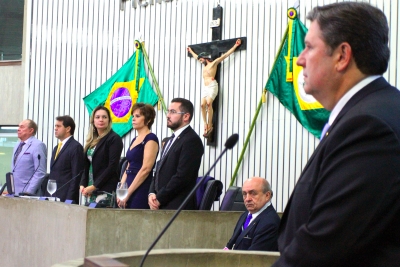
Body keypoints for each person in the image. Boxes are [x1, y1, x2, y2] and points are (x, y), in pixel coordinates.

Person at [274, 3, 400, 266]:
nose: (299, 59)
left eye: (309, 46)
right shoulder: (366, 113)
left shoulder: (369, 126)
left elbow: (323, 246)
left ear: (342, 55)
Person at [148, 98, 204, 210]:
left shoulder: (191, 140)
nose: (168, 115)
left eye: (173, 112)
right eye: (168, 111)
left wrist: (160, 198)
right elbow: (159, 169)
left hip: (178, 207)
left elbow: (182, 177)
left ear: (186, 116)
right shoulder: (170, 140)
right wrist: (152, 193)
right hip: (162, 204)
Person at [187, 39, 241, 138]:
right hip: (205, 87)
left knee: (208, 104)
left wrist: (235, 46)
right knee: (202, 105)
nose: (200, 60)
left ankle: (210, 124)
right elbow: (196, 57)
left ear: (205, 57)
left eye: (201, 59)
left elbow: (225, 55)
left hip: (212, 85)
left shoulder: (214, 63)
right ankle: (205, 123)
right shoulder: (204, 66)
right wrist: (191, 51)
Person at [117, 103, 159, 209]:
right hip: (129, 182)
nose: (133, 119)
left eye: (138, 116)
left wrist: (128, 193)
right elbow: (129, 165)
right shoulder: (134, 139)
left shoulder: (151, 139)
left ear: (148, 120)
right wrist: (122, 189)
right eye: (133, 116)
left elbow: (145, 169)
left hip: (140, 185)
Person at [80, 106, 123, 204]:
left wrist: (95, 186)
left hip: (104, 189)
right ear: (93, 121)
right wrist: (82, 184)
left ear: (109, 120)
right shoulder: (91, 140)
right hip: (89, 189)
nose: (101, 120)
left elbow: (112, 166)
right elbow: (86, 166)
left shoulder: (114, 139)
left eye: (104, 117)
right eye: (97, 117)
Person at [225, 177, 280, 251]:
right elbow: (231, 243)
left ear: (267, 195)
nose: (247, 199)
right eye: (244, 194)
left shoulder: (270, 223)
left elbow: (253, 258)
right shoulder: (245, 215)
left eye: (253, 193)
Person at [49, 116, 84, 203]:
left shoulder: (75, 147)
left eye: (58, 126)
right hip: (53, 196)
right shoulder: (56, 148)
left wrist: (69, 199)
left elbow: (76, 176)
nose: (55, 129)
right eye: (55, 126)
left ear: (68, 129)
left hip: (66, 197)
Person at [11, 119, 47, 195]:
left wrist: (29, 192)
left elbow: (40, 171)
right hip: (15, 193)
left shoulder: (38, 145)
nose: (18, 129)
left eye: (22, 127)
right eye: (18, 127)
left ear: (31, 130)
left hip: (29, 194)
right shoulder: (17, 145)